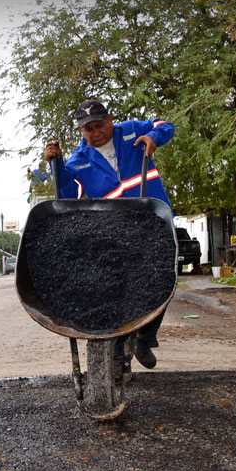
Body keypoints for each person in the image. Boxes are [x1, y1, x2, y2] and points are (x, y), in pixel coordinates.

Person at [43, 99, 174, 370]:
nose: (95, 133)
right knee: (114, 284)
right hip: (114, 229)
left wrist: (154, 136)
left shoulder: (132, 132)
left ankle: (145, 336)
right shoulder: (78, 162)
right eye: (87, 129)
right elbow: (70, 196)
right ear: (81, 131)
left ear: (110, 119)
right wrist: (55, 165)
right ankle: (115, 356)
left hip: (151, 218)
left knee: (165, 274)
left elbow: (165, 125)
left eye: (99, 125)